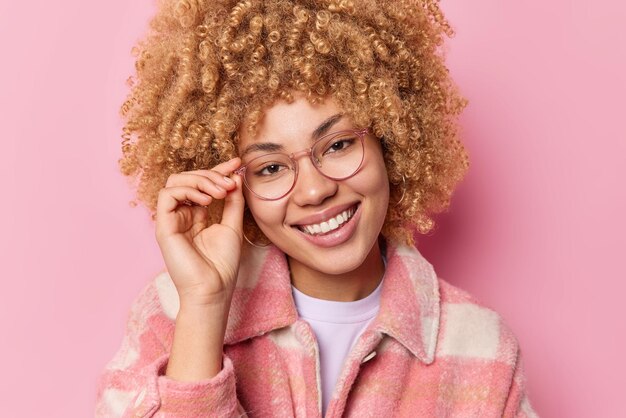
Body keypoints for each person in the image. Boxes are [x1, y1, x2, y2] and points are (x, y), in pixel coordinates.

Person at [96, 0, 537, 416]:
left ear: (393, 136)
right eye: (269, 168)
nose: (314, 191)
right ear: (233, 186)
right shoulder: (174, 312)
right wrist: (205, 307)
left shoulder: (480, 348)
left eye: (339, 144)